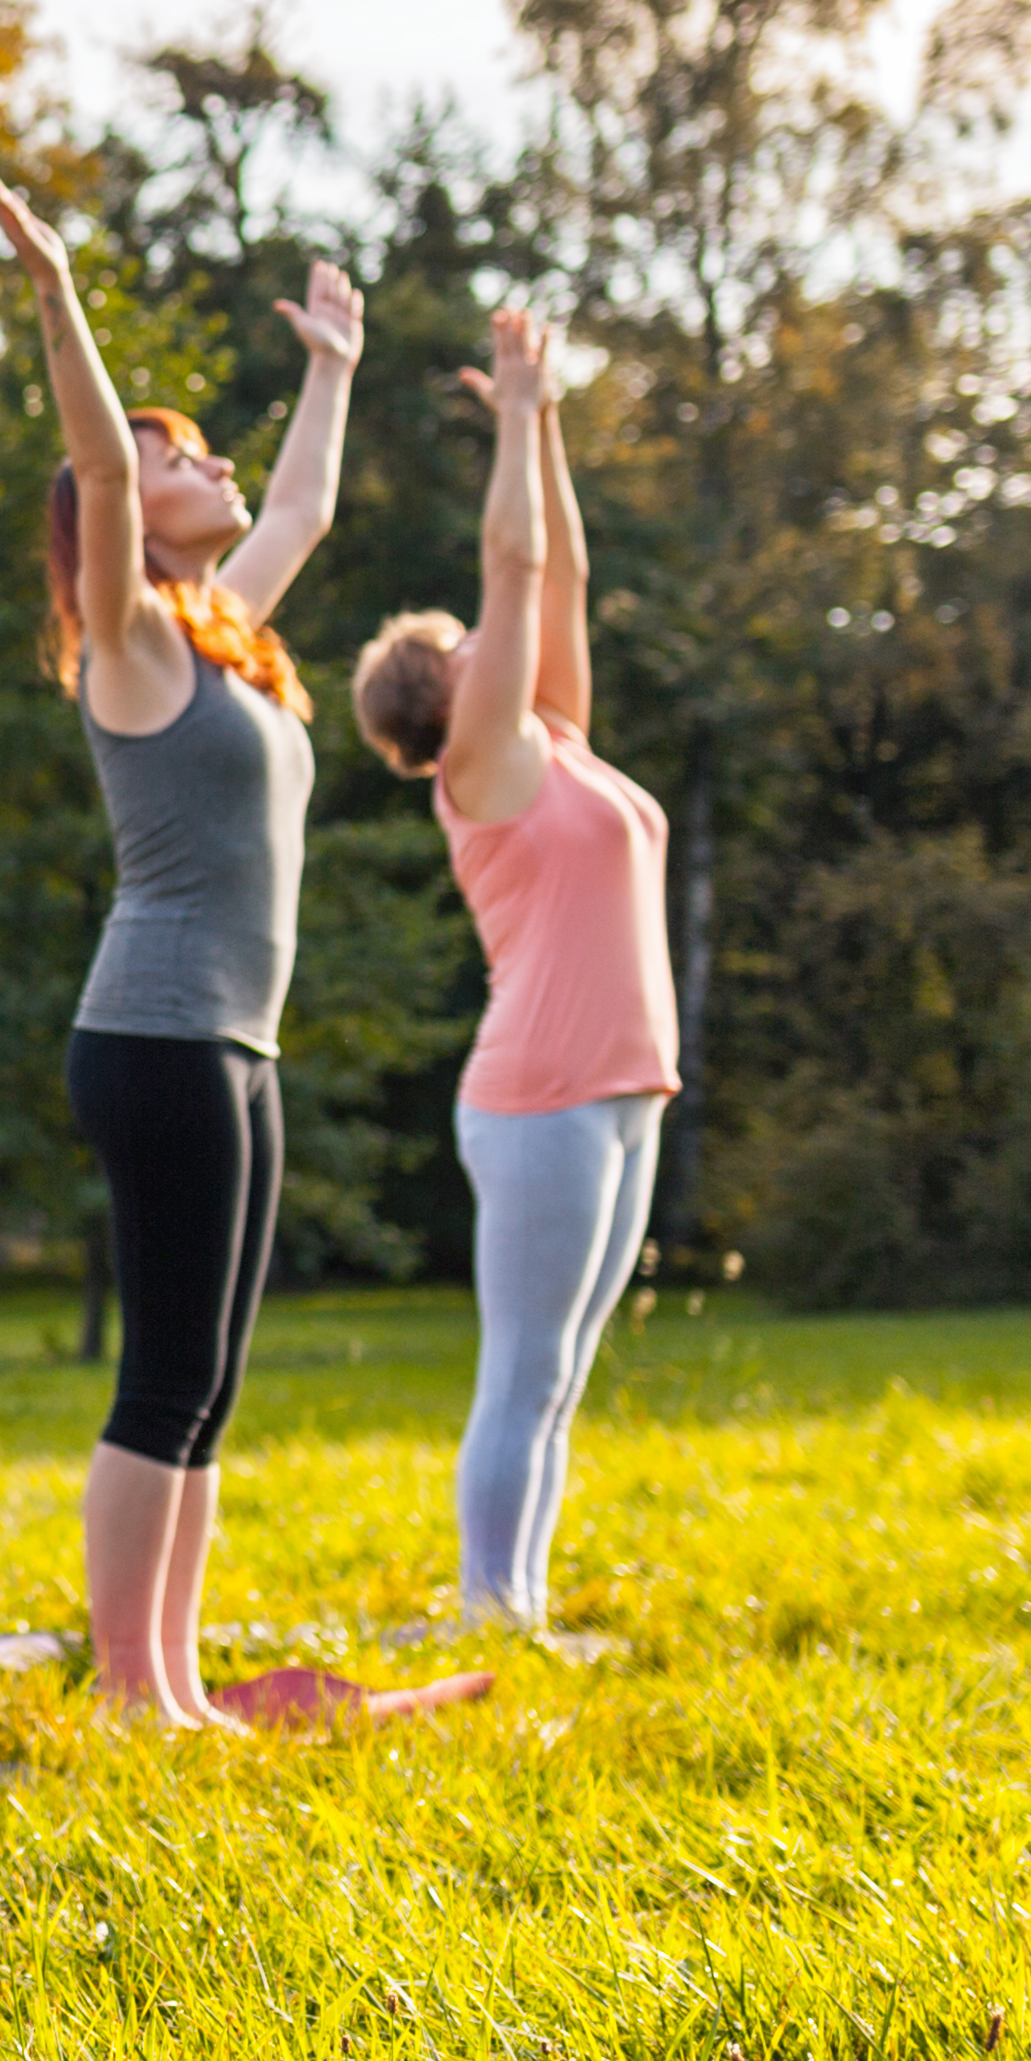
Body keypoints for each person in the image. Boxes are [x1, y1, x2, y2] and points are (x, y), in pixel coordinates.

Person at [0, 169, 364, 1726]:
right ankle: (134, 1689)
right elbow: (100, 467)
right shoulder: (132, 645)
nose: (207, 464)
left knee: (209, 1374)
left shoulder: (233, 635)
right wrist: (60, 296)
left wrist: (333, 366)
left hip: (235, 1043)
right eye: (170, 454)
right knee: (164, 1368)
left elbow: (308, 508)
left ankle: (179, 1682)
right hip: (157, 1034)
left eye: (203, 449)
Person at [350, 307, 675, 1661]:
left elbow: (565, 572)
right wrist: (507, 427)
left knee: (564, 1377)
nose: (510, 637)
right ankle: (495, 1614)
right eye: (479, 639)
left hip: (620, 1088)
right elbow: (518, 560)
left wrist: (542, 417)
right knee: (524, 1366)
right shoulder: (480, 773)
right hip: (538, 1096)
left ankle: (522, 1609)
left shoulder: (559, 743)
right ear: (449, 694)